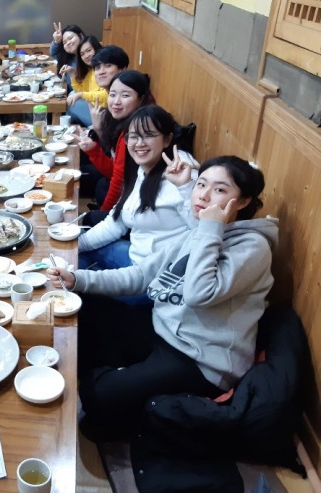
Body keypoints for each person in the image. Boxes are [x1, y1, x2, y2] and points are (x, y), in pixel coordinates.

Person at [48, 156, 276, 438]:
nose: (203, 195)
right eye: (201, 184)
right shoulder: (199, 231)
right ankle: (122, 381)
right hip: (165, 331)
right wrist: (78, 279)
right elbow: (142, 275)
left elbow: (198, 294)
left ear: (242, 201)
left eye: (219, 189)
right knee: (86, 306)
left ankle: (122, 391)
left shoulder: (252, 247)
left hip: (201, 360)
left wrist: (210, 229)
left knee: (97, 395)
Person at [78, 105, 198, 273]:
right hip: (135, 256)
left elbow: (202, 231)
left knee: (76, 266)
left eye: (149, 135)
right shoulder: (143, 169)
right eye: (134, 136)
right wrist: (78, 244)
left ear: (167, 139)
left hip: (154, 274)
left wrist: (186, 188)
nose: (140, 143)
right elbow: (115, 223)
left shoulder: (184, 178)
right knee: (72, 251)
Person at [77, 70, 154, 212]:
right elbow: (115, 170)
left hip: (140, 201)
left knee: (91, 210)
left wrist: (104, 216)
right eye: (112, 95)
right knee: (102, 185)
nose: (116, 101)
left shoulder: (134, 133)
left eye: (125, 95)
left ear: (141, 99)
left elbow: (119, 180)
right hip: (129, 189)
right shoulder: (122, 122)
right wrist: (93, 149)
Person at [65, 35, 106, 126]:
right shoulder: (91, 70)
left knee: (72, 103)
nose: (86, 56)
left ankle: (69, 127)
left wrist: (81, 94)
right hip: (95, 106)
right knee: (72, 95)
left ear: (97, 48)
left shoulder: (103, 70)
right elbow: (81, 90)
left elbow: (107, 96)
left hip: (104, 112)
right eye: (82, 54)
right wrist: (72, 74)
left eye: (89, 50)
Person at [50, 23, 84, 89]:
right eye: (64, 42)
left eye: (70, 38)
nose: (68, 43)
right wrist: (57, 41)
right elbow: (54, 53)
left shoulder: (88, 58)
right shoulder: (69, 58)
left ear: (81, 36)